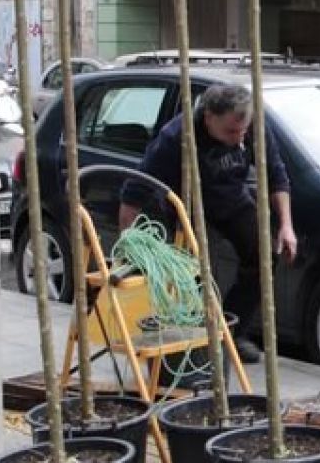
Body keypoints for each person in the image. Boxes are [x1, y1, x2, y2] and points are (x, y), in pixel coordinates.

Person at [118, 83, 298, 363]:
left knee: (263, 254)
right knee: (197, 274)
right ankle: (195, 340)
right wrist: (128, 241)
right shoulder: (176, 137)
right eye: (230, 132)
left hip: (233, 199)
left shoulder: (253, 125)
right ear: (208, 117)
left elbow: (276, 175)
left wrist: (286, 226)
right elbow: (134, 192)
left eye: (243, 131)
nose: (239, 137)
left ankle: (231, 334)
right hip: (188, 207)